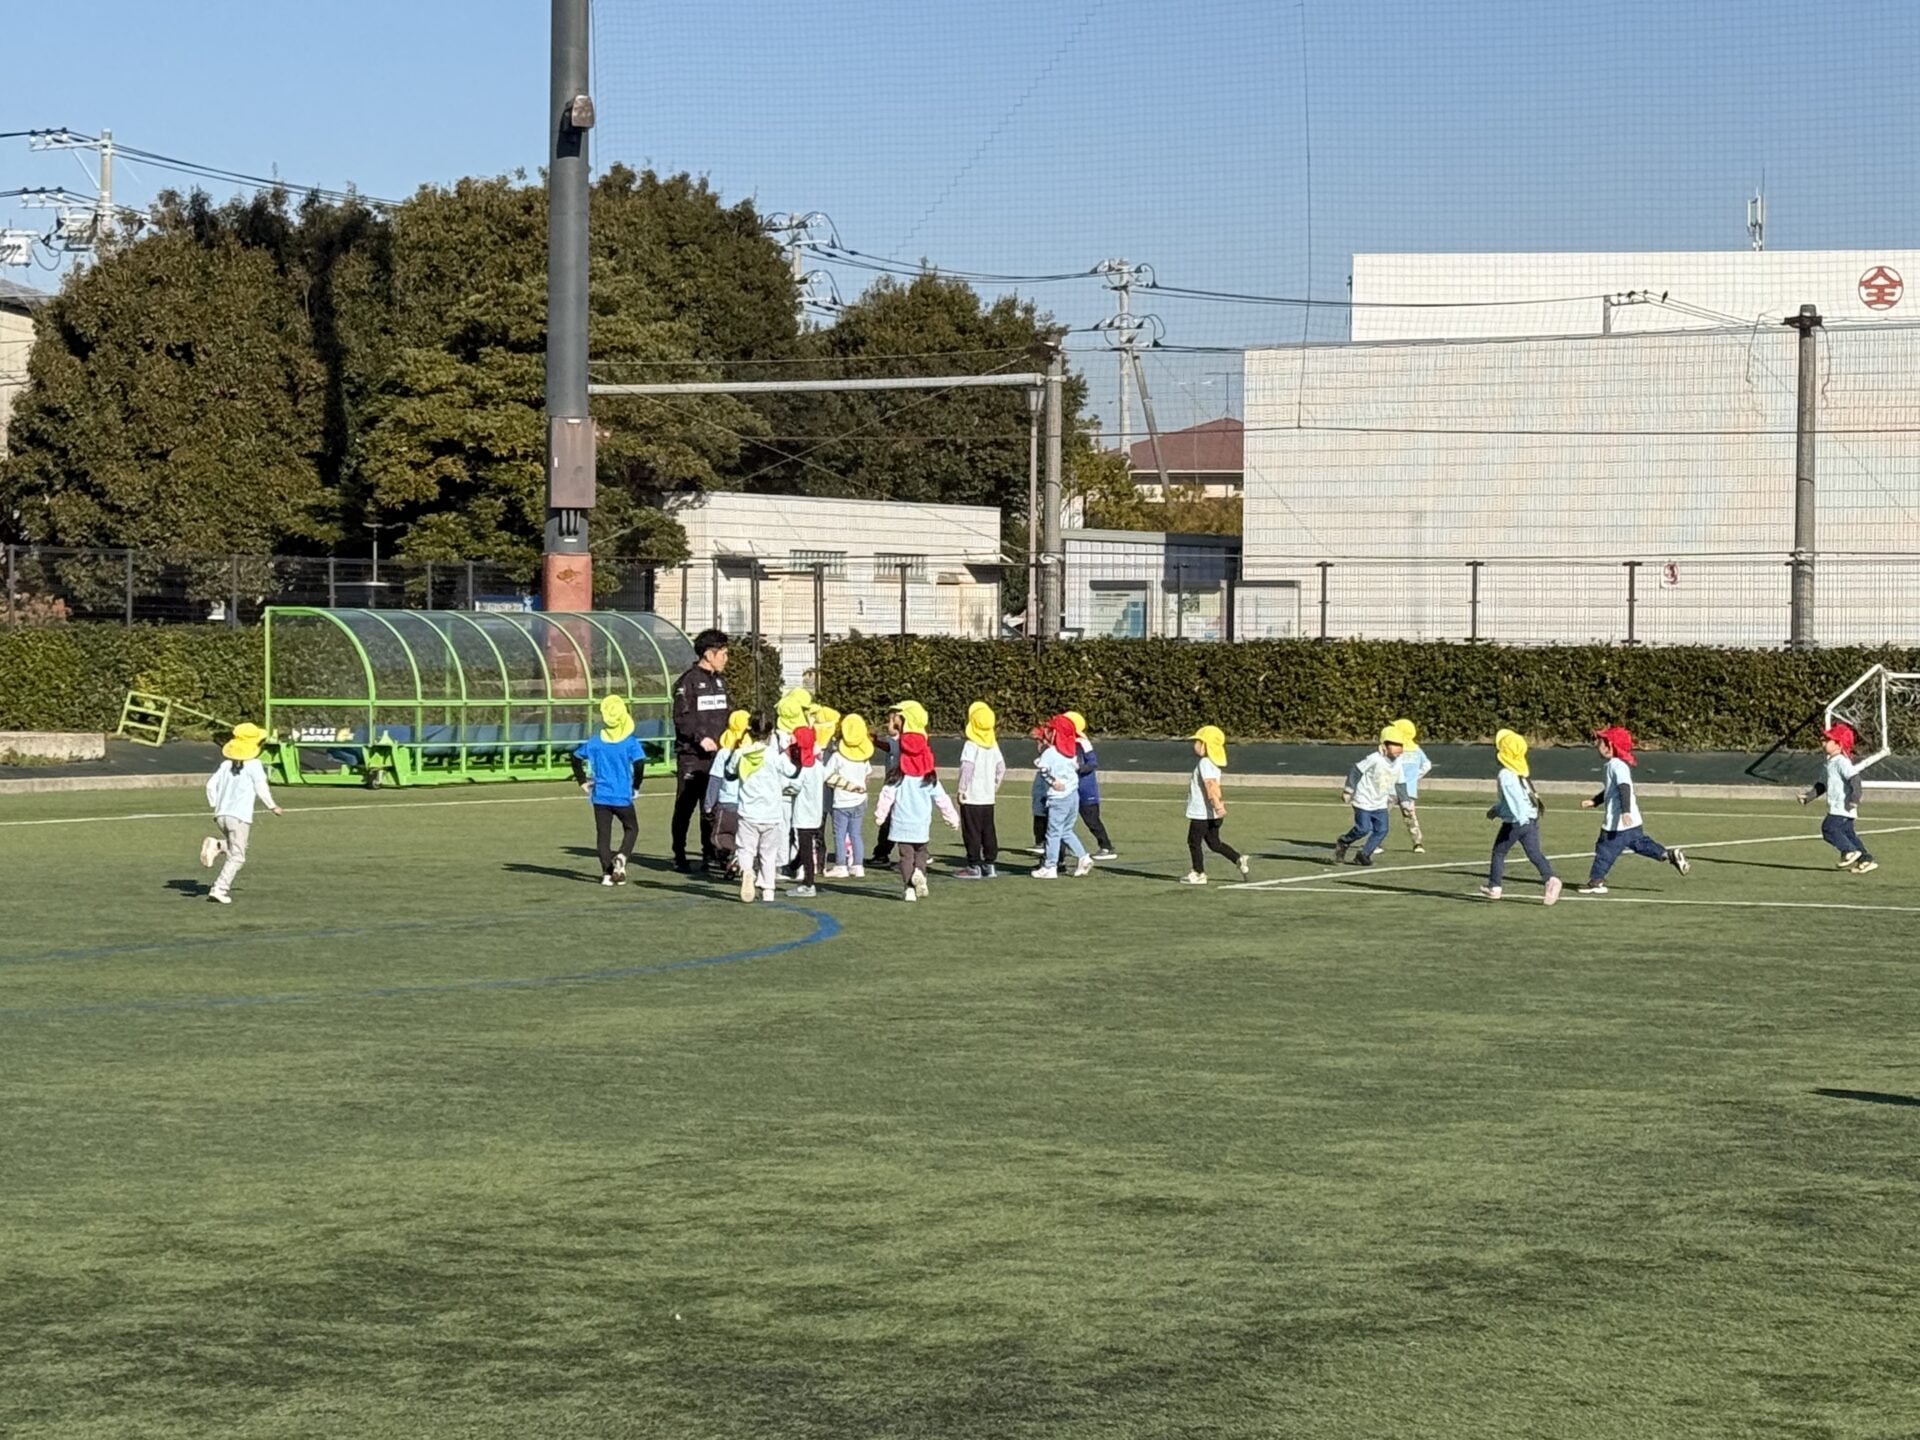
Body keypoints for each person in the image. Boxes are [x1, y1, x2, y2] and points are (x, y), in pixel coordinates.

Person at [1579, 725, 1689, 894]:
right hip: (1632, 823)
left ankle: (1596, 881)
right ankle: (1669, 855)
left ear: (1610, 746)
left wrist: (1625, 812)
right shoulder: (1614, 765)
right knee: (1641, 844)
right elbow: (1611, 791)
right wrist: (1595, 801)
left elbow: (1624, 788)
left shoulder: (1616, 765)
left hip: (1618, 824)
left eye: (1600, 741)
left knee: (1604, 849)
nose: (1596, 744)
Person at [568, 695, 648, 886]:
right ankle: (622, 856)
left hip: (600, 796)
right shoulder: (630, 742)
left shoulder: (595, 742)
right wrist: (636, 786)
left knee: (603, 836)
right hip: (621, 795)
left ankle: (607, 873)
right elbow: (639, 764)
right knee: (632, 828)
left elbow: (575, 757)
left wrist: (582, 781)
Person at [872, 727, 960, 901]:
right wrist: (952, 818)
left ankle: (908, 889)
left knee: (906, 856)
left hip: (901, 823)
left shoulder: (897, 776)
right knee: (921, 852)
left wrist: (880, 814)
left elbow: (886, 795)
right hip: (921, 823)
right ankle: (919, 871)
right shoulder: (929, 778)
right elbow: (942, 799)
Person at [199, 723, 282, 905]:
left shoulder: (226, 764)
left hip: (221, 816)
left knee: (239, 846)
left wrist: (216, 804)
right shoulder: (254, 765)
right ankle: (219, 889)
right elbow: (261, 787)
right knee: (238, 856)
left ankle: (218, 845)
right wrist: (272, 806)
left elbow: (210, 786)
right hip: (239, 817)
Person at [670, 629, 731, 872]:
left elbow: (728, 716)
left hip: (718, 758)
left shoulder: (720, 682)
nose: (726, 658)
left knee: (713, 808)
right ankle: (679, 855)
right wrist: (700, 739)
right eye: (723, 653)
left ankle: (711, 853)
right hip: (692, 757)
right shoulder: (688, 682)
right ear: (708, 654)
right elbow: (681, 718)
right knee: (685, 808)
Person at [1478, 729, 1562, 904]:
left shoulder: (1505, 775)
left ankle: (1495, 887)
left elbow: (1513, 799)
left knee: (1499, 852)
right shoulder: (1520, 774)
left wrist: (1516, 818)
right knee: (1534, 853)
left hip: (1516, 822)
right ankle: (1551, 879)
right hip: (1530, 819)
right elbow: (1514, 799)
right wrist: (1496, 810)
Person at [728, 711, 795, 903]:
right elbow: (792, 771)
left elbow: (729, 772)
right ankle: (768, 890)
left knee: (745, 849)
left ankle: (747, 871)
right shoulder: (775, 756)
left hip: (748, 812)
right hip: (772, 813)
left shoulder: (741, 754)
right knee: (769, 854)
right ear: (771, 732)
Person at [1801, 722, 1878, 874]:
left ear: (1838, 744)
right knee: (1848, 834)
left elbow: (1855, 780)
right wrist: (1808, 797)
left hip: (1843, 806)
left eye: (1827, 740)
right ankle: (1865, 860)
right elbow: (1822, 785)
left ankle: (1848, 851)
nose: (1823, 742)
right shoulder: (1829, 763)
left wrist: (1854, 799)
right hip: (1839, 807)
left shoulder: (1842, 762)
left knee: (1828, 829)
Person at [1181, 725, 1249, 885]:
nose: (1195, 745)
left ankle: (1198, 873)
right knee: (1214, 843)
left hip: (1202, 813)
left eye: (1198, 742)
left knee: (1194, 841)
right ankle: (1237, 858)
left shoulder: (1205, 762)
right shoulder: (1213, 764)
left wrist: (1216, 805)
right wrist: (1218, 806)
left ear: (1206, 745)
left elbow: (1210, 785)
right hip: (1213, 814)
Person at [1033, 714, 1094, 880]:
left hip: (1058, 798)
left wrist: (1053, 782)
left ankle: (1050, 866)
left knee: (1053, 833)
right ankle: (1083, 857)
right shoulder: (1071, 751)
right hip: (1073, 795)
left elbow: (1044, 771)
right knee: (1065, 830)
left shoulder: (1050, 753)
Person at [1333, 727, 1404, 867]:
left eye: (1400, 745)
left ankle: (1363, 854)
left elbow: (1401, 781)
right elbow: (1356, 770)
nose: (1399, 748)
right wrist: (1348, 790)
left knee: (1381, 830)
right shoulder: (1375, 758)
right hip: (1363, 800)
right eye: (1394, 744)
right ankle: (1344, 841)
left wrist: (1405, 800)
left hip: (1380, 802)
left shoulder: (1399, 762)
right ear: (1384, 746)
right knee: (1363, 829)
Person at [788, 701, 835, 898]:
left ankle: (809, 883)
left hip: (804, 815)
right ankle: (794, 866)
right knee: (806, 847)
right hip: (815, 813)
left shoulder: (804, 769)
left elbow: (793, 787)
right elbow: (827, 775)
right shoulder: (817, 765)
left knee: (806, 849)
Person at [955, 701, 1006, 879]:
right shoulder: (993, 745)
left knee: (972, 831)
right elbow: (1001, 768)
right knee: (988, 831)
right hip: (987, 798)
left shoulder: (971, 745)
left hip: (971, 797)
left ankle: (974, 865)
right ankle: (990, 864)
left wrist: (961, 789)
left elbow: (967, 768)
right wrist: (994, 786)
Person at [824, 713, 874, 878]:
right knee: (855, 834)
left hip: (842, 801)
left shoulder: (837, 757)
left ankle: (841, 865)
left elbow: (826, 776)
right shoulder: (863, 758)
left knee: (839, 834)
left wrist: (845, 785)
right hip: (860, 801)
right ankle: (858, 865)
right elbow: (867, 776)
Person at [703, 708, 751, 876]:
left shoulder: (724, 753)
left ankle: (734, 855)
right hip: (749, 803)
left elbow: (715, 780)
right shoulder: (753, 752)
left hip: (728, 803)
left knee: (719, 837)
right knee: (745, 836)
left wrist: (708, 804)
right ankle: (739, 860)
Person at [1066, 711, 1117, 860]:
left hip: (1085, 789)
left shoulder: (1082, 743)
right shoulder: (1061, 743)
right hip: (1069, 788)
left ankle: (1106, 847)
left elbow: (1092, 763)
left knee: (1092, 820)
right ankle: (1061, 849)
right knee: (1062, 820)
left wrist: (1078, 769)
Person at [868, 698, 911, 868]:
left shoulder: (903, 740)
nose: (888, 724)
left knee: (890, 821)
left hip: (899, 787)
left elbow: (889, 746)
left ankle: (883, 854)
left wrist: (874, 741)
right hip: (895, 786)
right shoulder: (898, 739)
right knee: (893, 821)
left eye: (892, 720)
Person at [1392, 718, 1433, 853]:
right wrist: (1415, 777)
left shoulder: (1395, 749)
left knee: (1381, 816)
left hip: (1391, 789)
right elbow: (1427, 765)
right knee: (1410, 817)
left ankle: (1376, 843)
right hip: (1408, 790)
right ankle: (1417, 843)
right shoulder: (1416, 749)